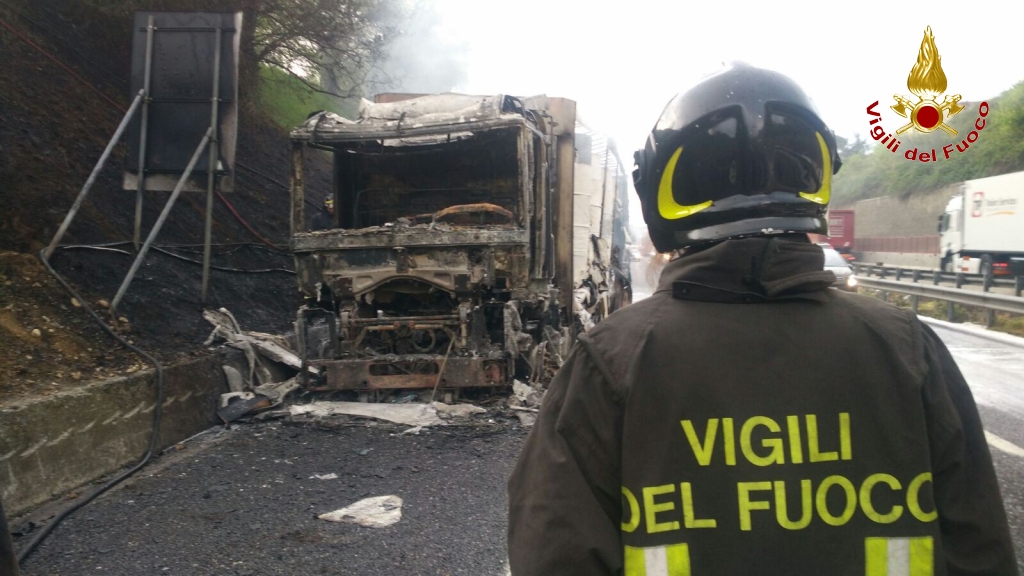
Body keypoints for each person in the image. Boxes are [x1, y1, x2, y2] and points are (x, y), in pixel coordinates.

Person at [507, 63, 1016, 575]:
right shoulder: (906, 347)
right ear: (814, 178)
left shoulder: (612, 360)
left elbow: (554, 551)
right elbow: (980, 549)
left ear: (664, 187)